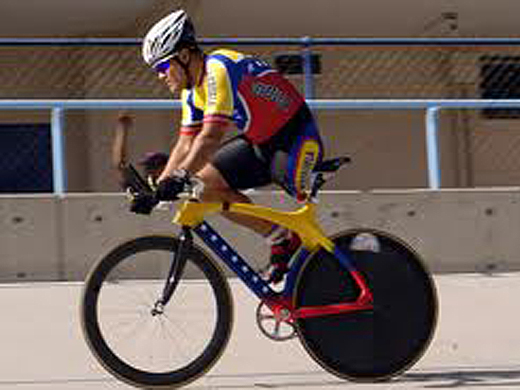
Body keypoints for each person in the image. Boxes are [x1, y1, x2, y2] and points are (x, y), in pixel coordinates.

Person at [132, 9, 324, 283]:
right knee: (205, 185)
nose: (161, 76)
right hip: (261, 142)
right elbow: (186, 142)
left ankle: (329, 268)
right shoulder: (192, 93)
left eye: (162, 67)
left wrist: (178, 177)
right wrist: (157, 189)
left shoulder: (218, 69)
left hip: (296, 138)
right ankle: (280, 239)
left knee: (296, 194)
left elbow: (210, 137)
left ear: (184, 56)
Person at [111, 111, 168, 188]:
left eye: (152, 167)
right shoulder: (142, 186)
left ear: (163, 168)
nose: (147, 171)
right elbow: (120, 164)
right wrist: (122, 128)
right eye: (147, 167)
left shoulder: (174, 185)